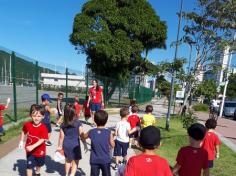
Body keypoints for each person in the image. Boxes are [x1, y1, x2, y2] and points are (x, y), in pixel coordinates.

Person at [18, 104, 48, 176]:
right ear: (30, 115)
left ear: (43, 116)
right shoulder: (27, 125)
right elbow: (23, 131)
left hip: (40, 151)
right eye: (34, 116)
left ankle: (37, 172)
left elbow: (42, 139)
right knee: (29, 166)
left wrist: (33, 146)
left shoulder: (43, 128)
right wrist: (21, 141)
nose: (36, 118)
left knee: (39, 164)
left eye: (39, 116)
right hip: (30, 151)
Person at [83, 110, 115, 176]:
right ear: (106, 121)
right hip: (105, 160)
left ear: (94, 120)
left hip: (94, 160)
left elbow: (83, 136)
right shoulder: (108, 132)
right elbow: (113, 145)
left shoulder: (91, 131)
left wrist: (81, 133)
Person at [57, 104, 86, 176]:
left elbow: (61, 137)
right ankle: (72, 174)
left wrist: (59, 146)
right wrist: (85, 144)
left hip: (66, 144)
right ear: (74, 112)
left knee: (67, 160)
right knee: (76, 160)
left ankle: (66, 174)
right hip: (75, 145)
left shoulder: (63, 124)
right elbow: (82, 135)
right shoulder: (78, 123)